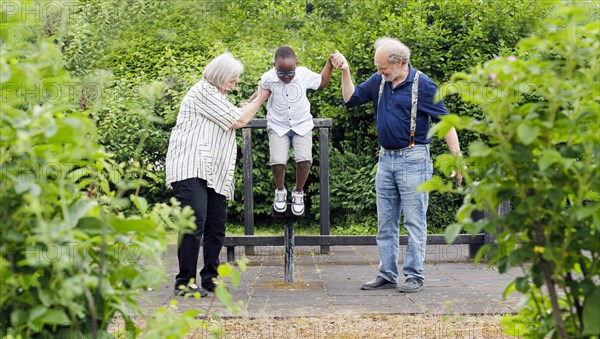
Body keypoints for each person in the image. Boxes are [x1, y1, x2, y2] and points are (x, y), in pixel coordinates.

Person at [331, 38, 462, 293]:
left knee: (414, 222)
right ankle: (387, 274)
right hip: (386, 159)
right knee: (386, 222)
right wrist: (345, 71)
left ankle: (414, 276)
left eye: (383, 69)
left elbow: (446, 122)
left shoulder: (423, 85)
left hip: (414, 160)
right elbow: (351, 98)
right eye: (378, 68)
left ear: (400, 62)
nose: (380, 73)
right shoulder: (380, 81)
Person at [165, 53, 269, 297]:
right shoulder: (203, 91)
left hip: (212, 170)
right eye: (233, 78)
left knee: (216, 225)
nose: (235, 82)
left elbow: (238, 111)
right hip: (191, 166)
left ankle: (210, 278)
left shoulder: (217, 95)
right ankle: (184, 282)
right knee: (194, 223)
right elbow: (241, 119)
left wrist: (256, 97)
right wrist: (262, 96)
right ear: (221, 76)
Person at [247, 46, 333, 215]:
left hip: (302, 124)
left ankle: (298, 192)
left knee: (305, 160)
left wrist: (329, 63)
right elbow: (259, 95)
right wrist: (247, 104)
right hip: (278, 125)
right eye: (281, 73)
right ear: (274, 66)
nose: (286, 77)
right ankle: (280, 191)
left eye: (290, 73)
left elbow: (322, 81)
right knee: (277, 162)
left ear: (297, 65)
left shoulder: (303, 74)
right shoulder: (268, 78)